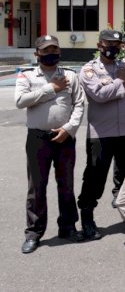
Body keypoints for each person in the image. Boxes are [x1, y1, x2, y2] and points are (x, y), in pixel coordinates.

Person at [16, 35, 86, 254]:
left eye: (54, 49)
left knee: (66, 185)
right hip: (37, 139)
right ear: (37, 53)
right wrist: (51, 89)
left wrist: (69, 129)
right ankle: (34, 233)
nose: (50, 54)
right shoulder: (27, 75)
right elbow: (20, 101)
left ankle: (68, 227)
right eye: (45, 50)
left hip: (65, 138)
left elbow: (79, 105)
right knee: (36, 187)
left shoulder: (70, 76)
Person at [77, 30, 125, 241]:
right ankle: (87, 219)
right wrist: (119, 83)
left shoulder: (123, 67)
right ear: (100, 44)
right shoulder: (89, 69)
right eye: (110, 43)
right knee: (94, 178)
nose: (114, 47)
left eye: (117, 44)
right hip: (101, 134)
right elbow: (99, 96)